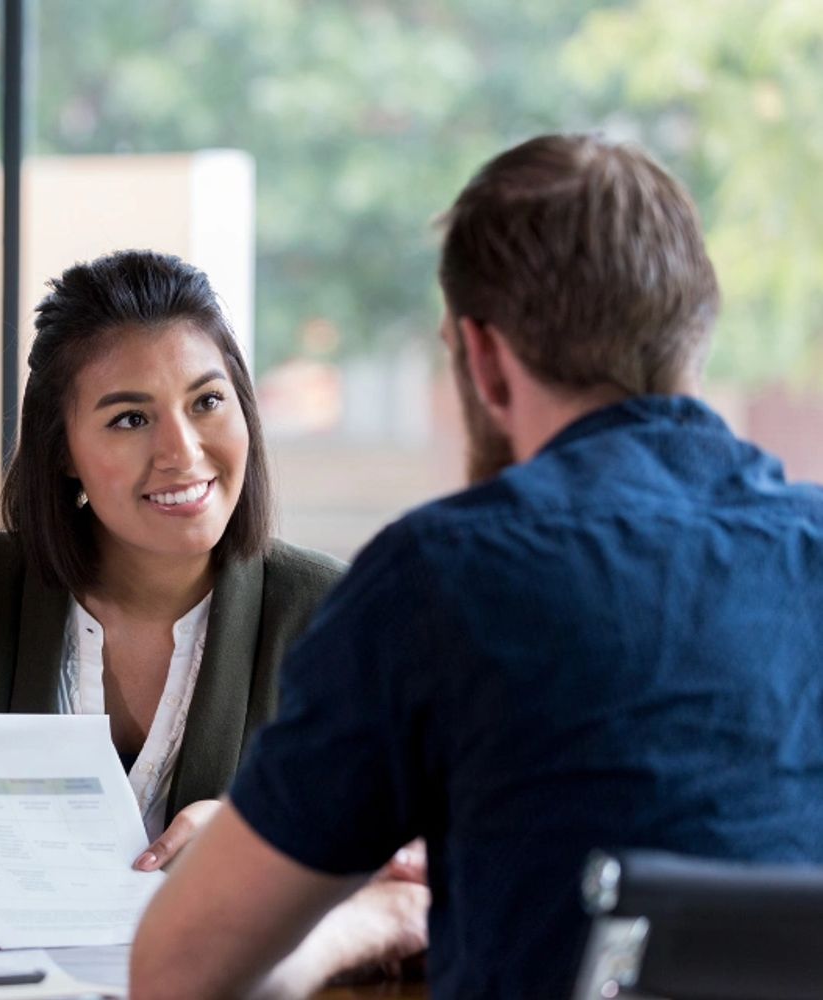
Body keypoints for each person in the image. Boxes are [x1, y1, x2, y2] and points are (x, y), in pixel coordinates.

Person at [131, 134, 823, 999]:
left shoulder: (443, 577)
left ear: (484, 358)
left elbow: (177, 973)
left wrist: (370, 918)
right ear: (697, 328)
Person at [0, 249, 426, 981]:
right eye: (129, 419)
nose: (182, 452)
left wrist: (264, 845)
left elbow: (416, 863)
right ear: (64, 451)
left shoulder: (329, 614)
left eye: (207, 402)